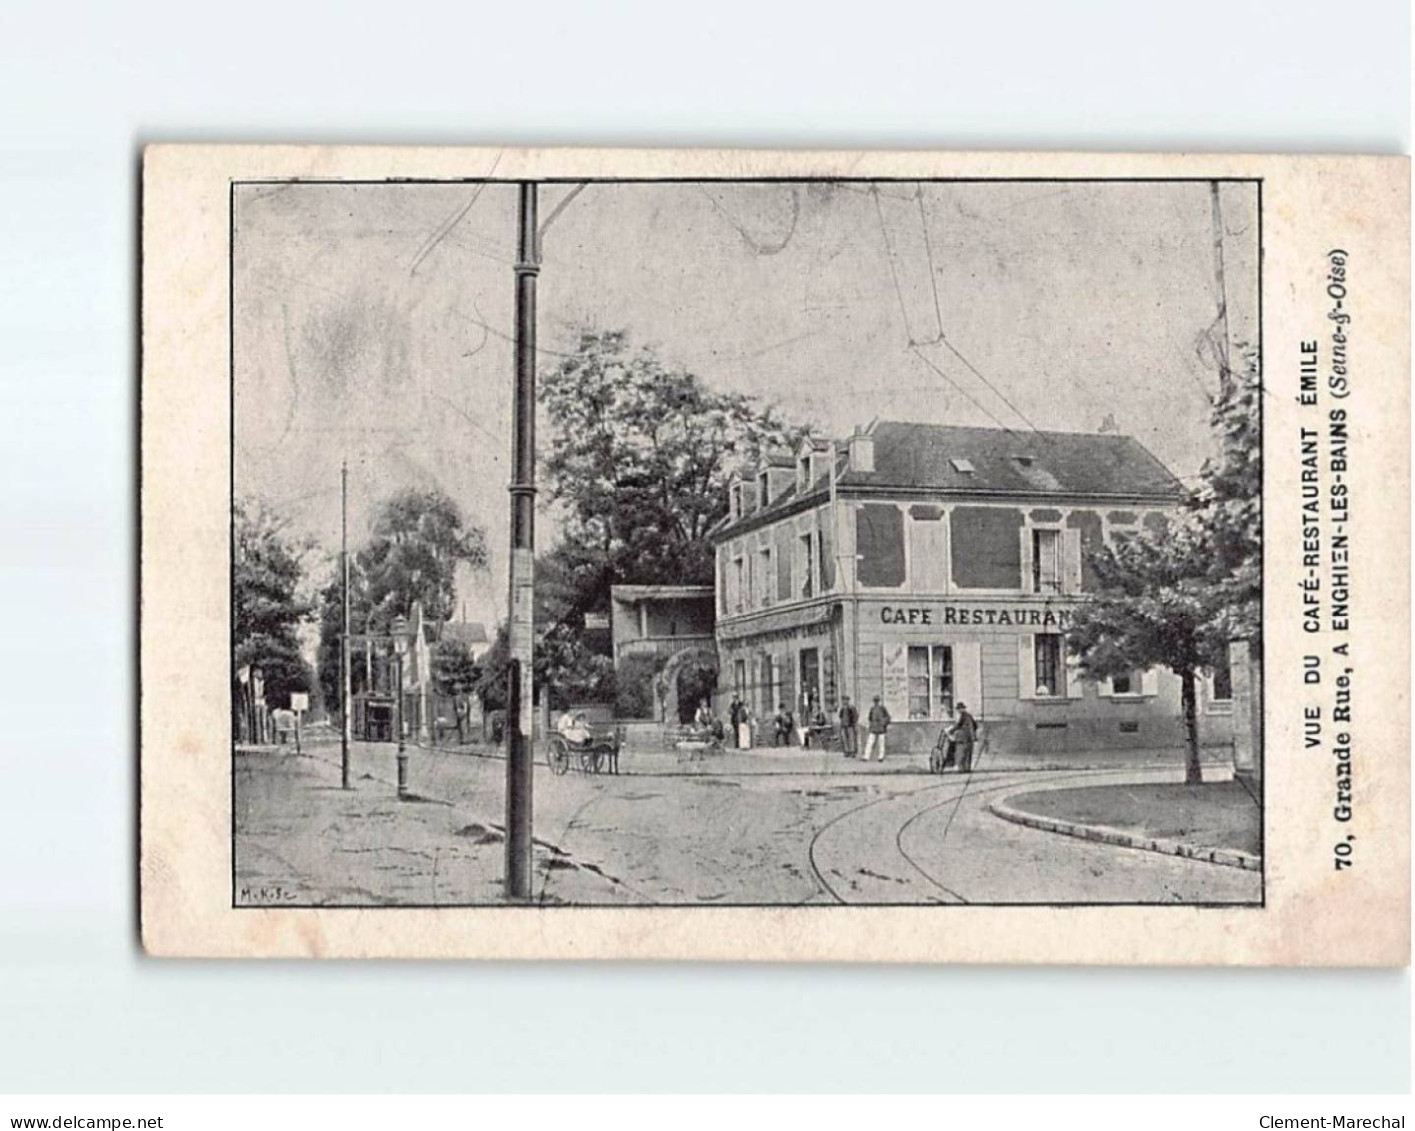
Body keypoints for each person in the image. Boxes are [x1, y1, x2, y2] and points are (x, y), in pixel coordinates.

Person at [949, 701, 978, 773]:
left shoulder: (963, 716)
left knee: (961, 753)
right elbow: (975, 725)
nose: (958, 711)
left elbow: (958, 725)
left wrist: (951, 731)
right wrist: (973, 735)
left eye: (959, 709)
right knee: (968, 753)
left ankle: (962, 769)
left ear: (962, 709)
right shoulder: (969, 716)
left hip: (963, 738)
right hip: (970, 738)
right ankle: (967, 769)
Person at [863, 695, 891, 762]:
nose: (876, 702)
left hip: (881, 729)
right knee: (870, 742)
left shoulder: (883, 708)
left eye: (877, 701)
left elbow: (888, 718)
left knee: (881, 743)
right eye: (875, 701)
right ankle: (866, 756)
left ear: (879, 701)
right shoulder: (872, 709)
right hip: (873, 728)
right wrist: (872, 724)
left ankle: (881, 757)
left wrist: (884, 724)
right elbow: (870, 718)